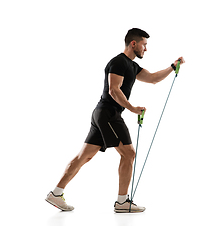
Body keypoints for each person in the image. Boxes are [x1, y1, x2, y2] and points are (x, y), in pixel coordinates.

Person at [45, 28, 185, 213]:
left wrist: (171, 66)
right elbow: (114, 90)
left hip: (103, 114)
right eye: (144, 45)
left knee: (83, 157)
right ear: (133, 44)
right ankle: (122, 202)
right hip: (109, 114)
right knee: (128, 154)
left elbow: (152, 79)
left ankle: (56, 193)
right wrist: (132, 108)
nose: (146, 49)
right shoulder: (119, 62)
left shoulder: (132, 66)